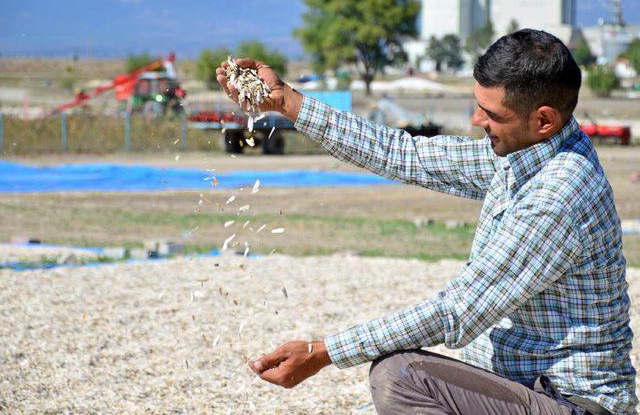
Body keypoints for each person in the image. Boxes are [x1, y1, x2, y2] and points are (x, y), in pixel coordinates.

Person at [216, 29, 637, 415]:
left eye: (491, 114)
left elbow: (455, 313)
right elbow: (405, 155)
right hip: (523, 385)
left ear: (543, 119)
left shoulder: (558, 194)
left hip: (568, 403)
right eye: (478, 106)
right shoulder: (527, 152)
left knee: (399, 376)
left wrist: (324, 352)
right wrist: (287, 101)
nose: (477, 121)